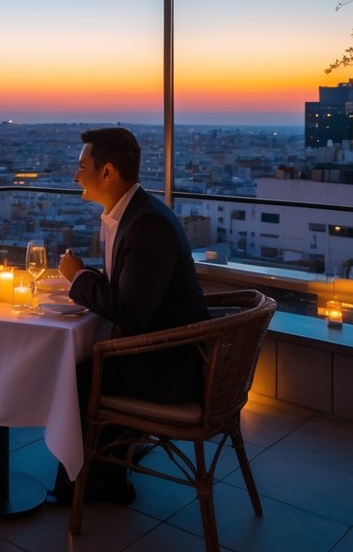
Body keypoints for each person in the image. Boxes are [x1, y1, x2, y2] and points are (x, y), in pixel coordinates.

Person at [51, 126, 211, 505]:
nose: (76, 176)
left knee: (74, 375)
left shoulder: (147, 224)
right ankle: (105, 472)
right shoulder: (135, 214)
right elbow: (127, 286)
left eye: (82, 167)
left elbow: (130, 312)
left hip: (171, 367)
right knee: (82, 366)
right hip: (168, 353)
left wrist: (78, 278)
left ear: (107, 172)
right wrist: (87, 277)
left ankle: (86, 485)